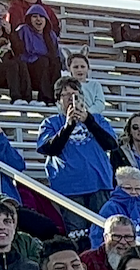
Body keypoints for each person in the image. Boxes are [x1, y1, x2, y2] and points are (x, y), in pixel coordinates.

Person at [36, 77, 119, 217]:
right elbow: (50, 149)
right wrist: (68, 126)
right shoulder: (50, 123)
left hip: (99, 184)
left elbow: (111, 144)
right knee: (76, 234)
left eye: (75, 95)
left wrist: (88, 120)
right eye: (66, 95)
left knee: (101, 232)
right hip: (69, 187)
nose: (71, 99)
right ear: (58, 100)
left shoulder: (97, 119)